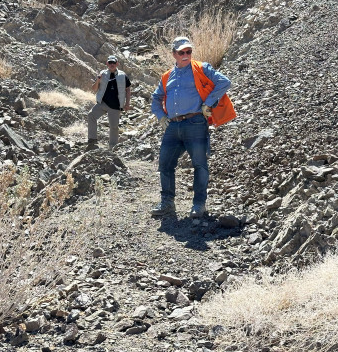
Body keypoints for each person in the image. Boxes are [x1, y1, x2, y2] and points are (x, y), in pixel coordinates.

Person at [150, 36, 235, 218]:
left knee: (200, 164)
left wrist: (209, 103)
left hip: (195, 122)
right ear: (174, 54)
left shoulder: (202, 68)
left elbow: (224, 82)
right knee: (165, 164)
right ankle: (167, 203)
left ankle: (199, 205)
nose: (186, 55)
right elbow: (155, 98)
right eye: (182, 52)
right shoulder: (167, 76)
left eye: (188, 51)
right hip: (172, 126)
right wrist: (160, 117)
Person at [87, 55, 131, 150]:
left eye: (113, 63)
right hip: (102, 103)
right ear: (107, 63)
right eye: (110, 63)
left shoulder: (123, 76)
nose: (112, 64)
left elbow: (128, 90)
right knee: (91, 115)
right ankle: (92, 139)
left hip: (115, 106)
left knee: (114, 127)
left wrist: (127, 104)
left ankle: (112, 147)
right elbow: (94, 89)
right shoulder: (102, 74)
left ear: (117, 64)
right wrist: (98, 80)